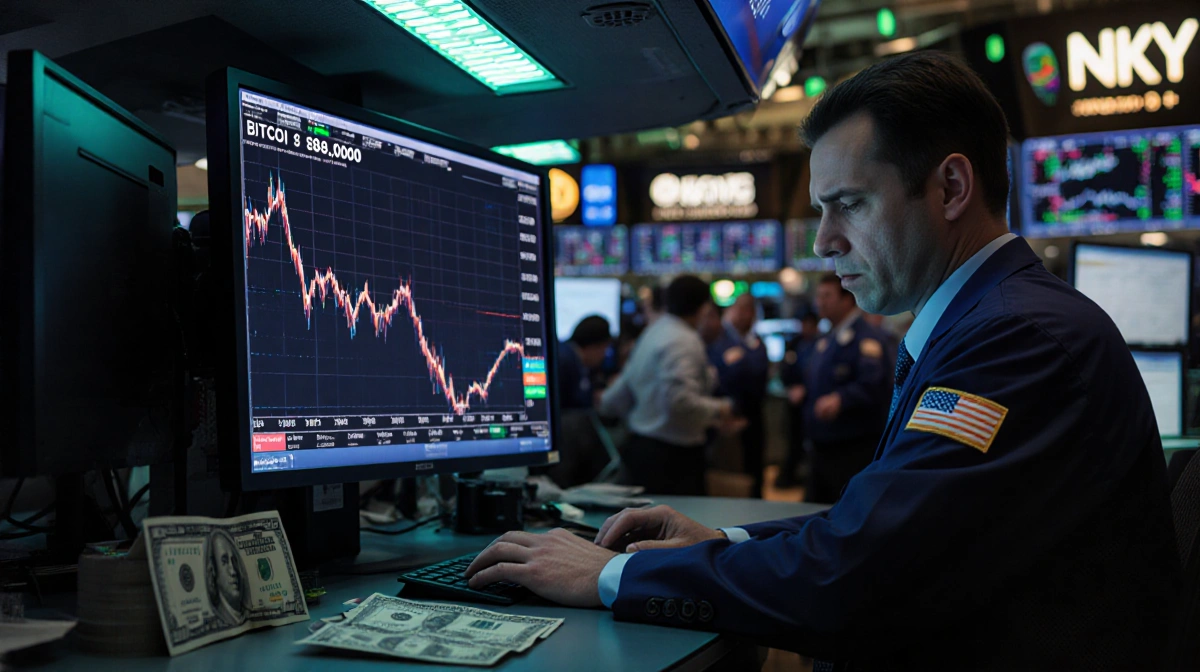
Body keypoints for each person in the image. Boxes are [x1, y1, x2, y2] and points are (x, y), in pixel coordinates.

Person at [464, 51, 1180, 669]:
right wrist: (723, 540)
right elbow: (883, 527)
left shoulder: (1017, 338)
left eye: (849, 205)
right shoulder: (996, 319)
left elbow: (861, 574)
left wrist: (613, 575)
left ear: (951, 188)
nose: (823, 242)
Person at [597, 275, 746, 495]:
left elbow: (622, 390)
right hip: (672, 459)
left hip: (643, 450)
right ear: (704, 307)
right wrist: (722, 408)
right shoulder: (684, 340)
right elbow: (679, 402)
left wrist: (604, 405)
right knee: (679, 528)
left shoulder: (653, 331)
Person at [796, 274, 892, 503]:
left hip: (851, 445)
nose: (820, 302)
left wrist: (841, 399)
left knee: (846, 508)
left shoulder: (866, 338)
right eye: (818, 296)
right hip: (823, 443)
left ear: (847, 300)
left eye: (827, 296)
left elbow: (874, 384)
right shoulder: (827, 337)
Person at [707, 294, 770, 497]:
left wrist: (739, 361)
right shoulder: (717, 339)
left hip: (753, 417)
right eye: (740, 308)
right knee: (728, 480)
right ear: (730, 310)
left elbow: (759, 374)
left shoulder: (758, 342)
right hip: (725, 419)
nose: (745, 314)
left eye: (749, 309)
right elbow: (721, 377)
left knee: (754, 476)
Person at [776, 311, 820, 488]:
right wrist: (790, 388)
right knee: (793, 440)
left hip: (812, 401)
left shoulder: (821, 343)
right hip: (793, 401)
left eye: (810, 324)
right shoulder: (794, 343)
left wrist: (806, 389)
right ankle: (788, 478)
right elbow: (784, 369)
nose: (807, 328)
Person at [557, 315, 613, 411]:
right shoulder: (565, 362)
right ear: (594, 346)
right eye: (605, 349)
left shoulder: (572, 356)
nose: (604, 356)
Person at [206, 528, 249, 627]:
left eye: (233, 561)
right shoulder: (221, 618)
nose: (233, 571)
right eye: (224, 562)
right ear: (213, 572)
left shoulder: (244, 613)